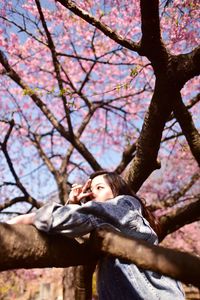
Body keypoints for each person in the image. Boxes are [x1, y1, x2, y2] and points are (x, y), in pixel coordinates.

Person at [7, 171, 185, 300]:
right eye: (90, 190)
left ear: (117, 191)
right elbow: (75, 233)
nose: (91, 193)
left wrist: (28, 218)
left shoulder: (126, 204)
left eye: (99, 187)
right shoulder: (103, 229)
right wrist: (73, 203)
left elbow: (93, 215)